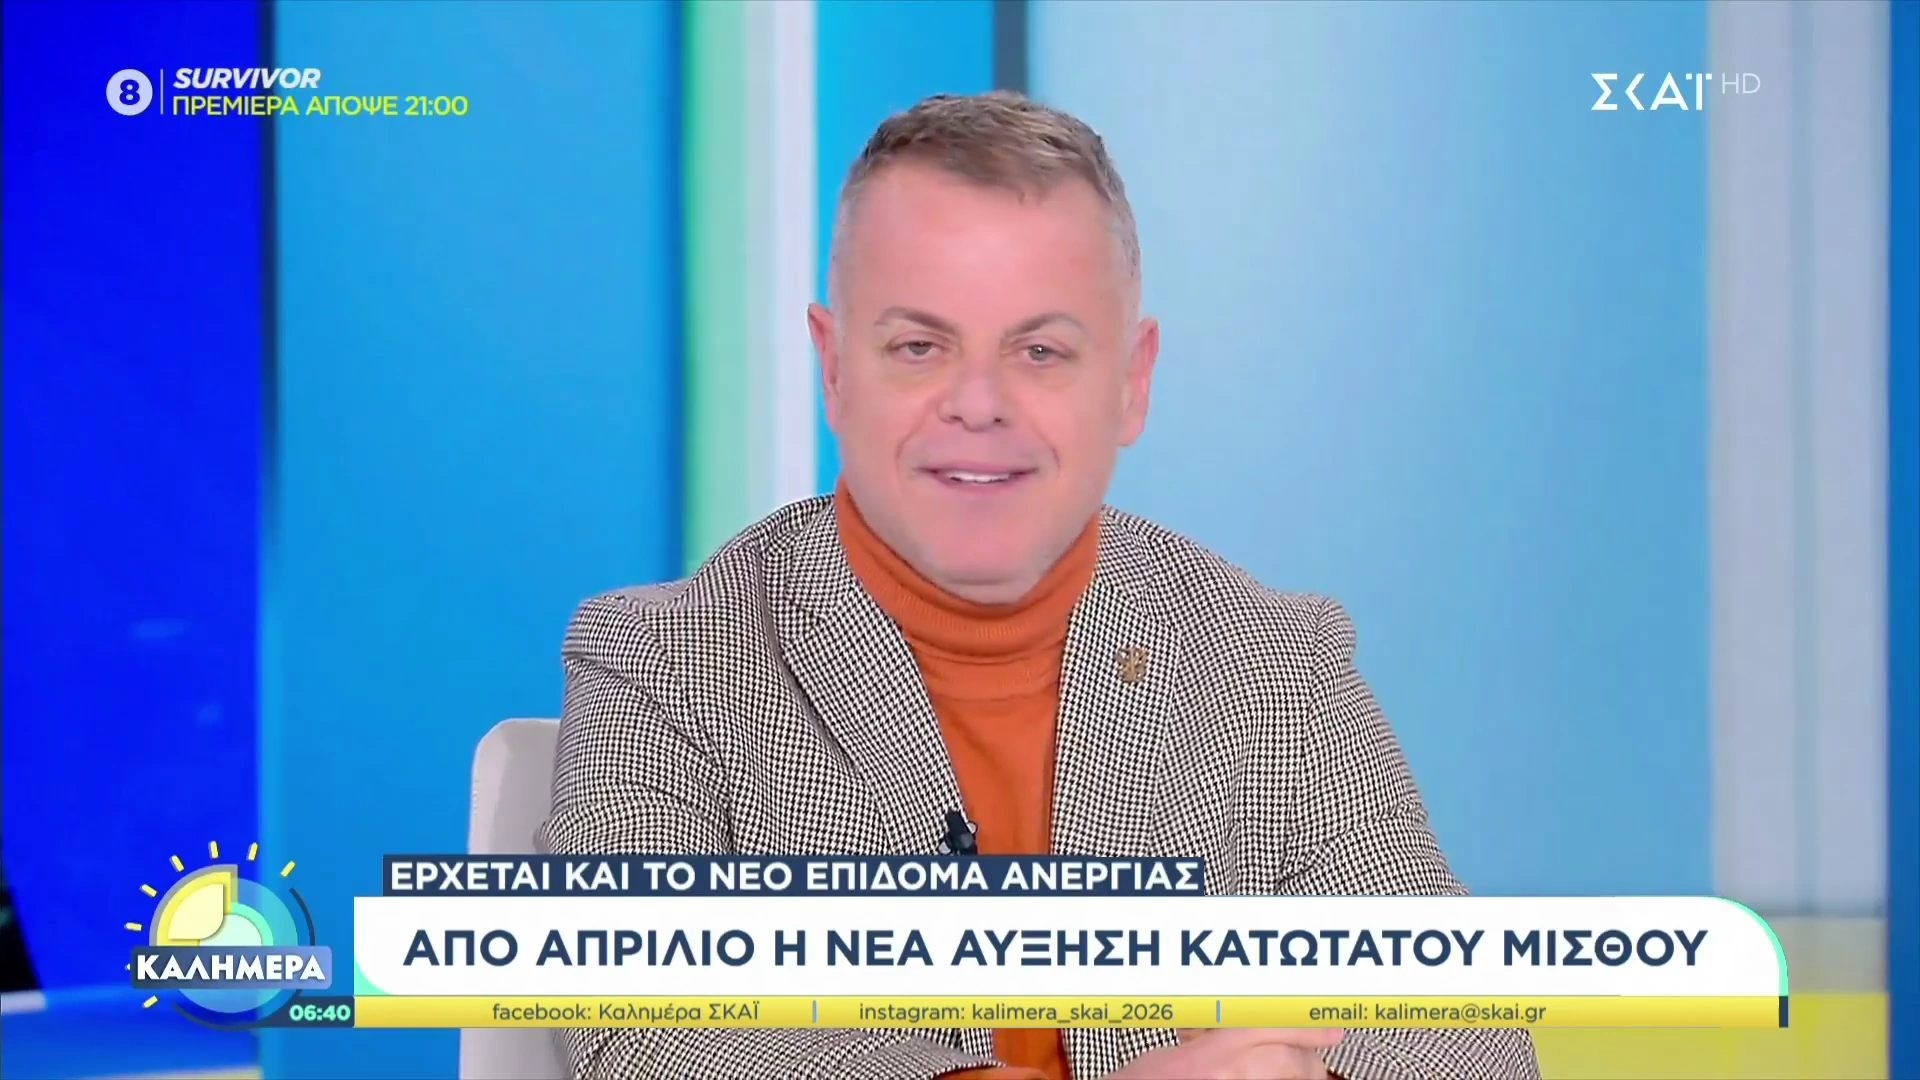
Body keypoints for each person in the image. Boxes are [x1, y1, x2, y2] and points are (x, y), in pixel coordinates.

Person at [538, 90, 1540, 1080]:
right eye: (919, 347)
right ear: (834, 369)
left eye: (1041, 351)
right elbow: (647, 1035)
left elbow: (1470, 1036)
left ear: (1132, 382)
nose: (979, 404)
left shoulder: (1281, 667)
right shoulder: (661, 663)